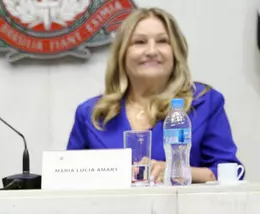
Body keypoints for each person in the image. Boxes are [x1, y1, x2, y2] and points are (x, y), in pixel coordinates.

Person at [67, 7, 242, 183]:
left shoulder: (204, 102)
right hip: (107, 210)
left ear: (175, 52)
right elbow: (66, 178)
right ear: (122, 53)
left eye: (162, 41)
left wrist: (176, 171)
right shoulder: (91, 114)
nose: (151, 51)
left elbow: (231, 172)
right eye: (140, 42)